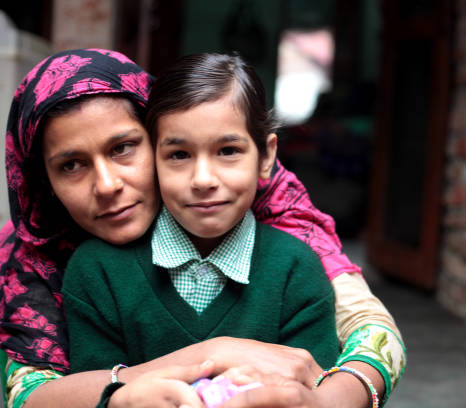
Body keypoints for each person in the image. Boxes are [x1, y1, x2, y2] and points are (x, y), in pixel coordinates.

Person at [0, 49, 405, 408]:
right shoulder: (41, 269)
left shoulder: (294, 253)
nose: (107, 186)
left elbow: (369, 332)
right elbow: (31, 394)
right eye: (70, 164)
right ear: (42, 184)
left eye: (123, 147)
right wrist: (211, 355)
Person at [62, 53, 339, 398]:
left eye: (227, 150)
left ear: (266, 156)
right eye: (179, 155)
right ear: (152, 159)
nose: (203, 179)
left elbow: (316, 393)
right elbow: (92, 392)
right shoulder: (98, 272)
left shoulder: (296, 271)